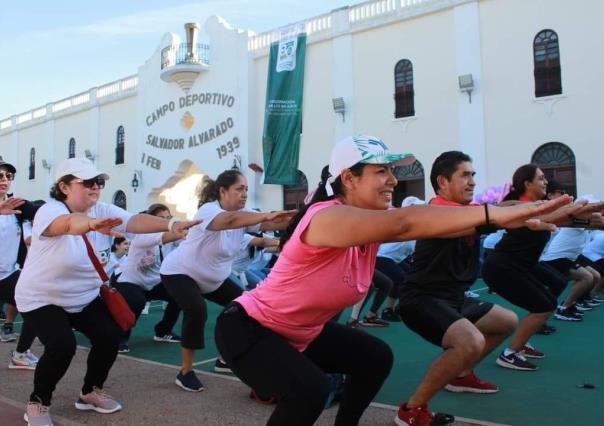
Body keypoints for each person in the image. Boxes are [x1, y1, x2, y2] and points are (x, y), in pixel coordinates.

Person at [214, 136, 571, 426]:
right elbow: (406, 223)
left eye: (392, 171)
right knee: (309, 391)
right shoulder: (327, 218)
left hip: (299, 331)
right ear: (349, 179)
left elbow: (455, 222)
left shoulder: (365, 222)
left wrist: (513, 216)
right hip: (250, 330)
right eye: (381, 171)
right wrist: (497, 214)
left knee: (375, 356)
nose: (393, 180)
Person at [15, 157, 200, 426]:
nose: (96, 187)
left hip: (83, 296)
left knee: (110, 337)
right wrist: (89, 225)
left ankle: (90, 391)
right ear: (64, 186)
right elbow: (65, 225)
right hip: (42, 297)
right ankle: (38, 402)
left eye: (99, 182)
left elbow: (134, 221)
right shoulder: (50, 211)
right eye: (87, 182)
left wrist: (171, 225)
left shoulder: (102, 209)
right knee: (61, 346)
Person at [160, 169, 295, 392]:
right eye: (239, 189)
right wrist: (265, 215)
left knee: (248, 308)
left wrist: (306, 216)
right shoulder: (209, 210)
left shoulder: (245, 216)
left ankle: (224, 360)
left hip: (214, 279)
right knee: (196, 309)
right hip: (180, 272)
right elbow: (229, 220)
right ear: (223, 191)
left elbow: (274, 225)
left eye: (246, 190)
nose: (244, 194)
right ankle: (185, 371)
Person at [481, 165, 593, 371]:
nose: (546, 182)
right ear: (527, 183)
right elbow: (503, 208)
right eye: (541, 178)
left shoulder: (539, 206)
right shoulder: (516, 206)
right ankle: (510, 354)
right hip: (502, 266)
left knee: (556, 284)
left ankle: (523, 339)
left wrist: (590, 217)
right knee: (544, 305)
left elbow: (564, 218)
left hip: (524, 266)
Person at [114, 203, 185, 353]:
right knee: (137, 302)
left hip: (152, 282)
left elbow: (187, 241)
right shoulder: (143, 236)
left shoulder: (170, 237)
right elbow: (170, 235)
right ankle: (120, 338)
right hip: (129, 280)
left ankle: (163, 331)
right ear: (151, 220)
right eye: (161, 219)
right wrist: (183, 228)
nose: (166, 222)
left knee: (179, 295)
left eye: (168, 218)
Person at [0, 159, 40, 370]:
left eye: (8, 176)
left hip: (7, 274)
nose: (4, 180)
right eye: (0, 176)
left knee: (36, 305)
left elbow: (42, 214)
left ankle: (21, 353)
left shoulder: (18, 205)